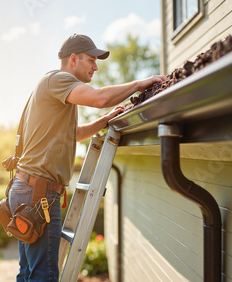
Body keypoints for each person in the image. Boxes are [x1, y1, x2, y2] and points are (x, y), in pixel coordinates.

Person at [9, 33, 166, 282]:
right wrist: (138, 84)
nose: (95, 66)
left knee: (27, 272)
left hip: (26, 188)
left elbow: (75, 134)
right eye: (91, 60)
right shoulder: (59, 80)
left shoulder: (53, 90)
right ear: (73, 59)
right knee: (43, 276)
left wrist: (103, 122)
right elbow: (100, 98)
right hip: (38, 193)